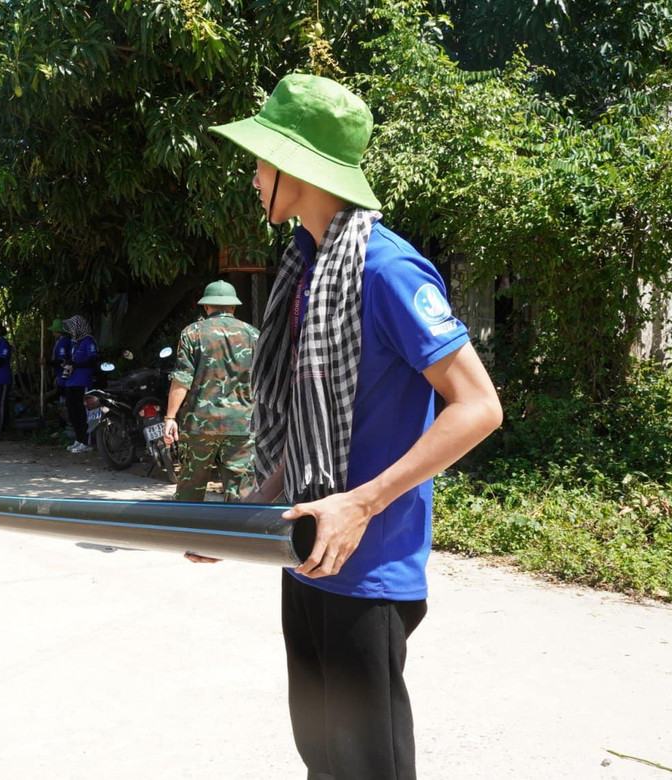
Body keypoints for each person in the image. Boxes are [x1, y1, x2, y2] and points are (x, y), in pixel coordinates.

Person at [209, 74, 502, 779]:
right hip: (305, 551)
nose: (252, 175)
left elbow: (478, 406)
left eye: (261, 159)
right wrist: (250, 511)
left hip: (367, 567)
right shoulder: (307, 270)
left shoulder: (388, 269)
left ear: (297, 167)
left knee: (369, 768)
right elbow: (310, 416)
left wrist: (361, 502)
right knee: (322, 758)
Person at [161, 280, 261, 502]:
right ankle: (239, 535)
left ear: (206, 307)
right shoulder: (253, 335)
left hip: (199, 425)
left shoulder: (192, 334)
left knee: (190, 489)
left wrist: (170, 417)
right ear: (233, 307)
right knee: (242, 491)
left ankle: (189, 533)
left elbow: (181, 380)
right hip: (242, 425)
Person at [61, 316, 99, 453]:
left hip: (83, 381)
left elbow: (93, 360)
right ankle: (78, 439)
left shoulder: (88, 341)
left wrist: (75, 365)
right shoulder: (74, 343)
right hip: (71, 382)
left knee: (83, 412)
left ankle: (86, 441)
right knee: (73, 411)